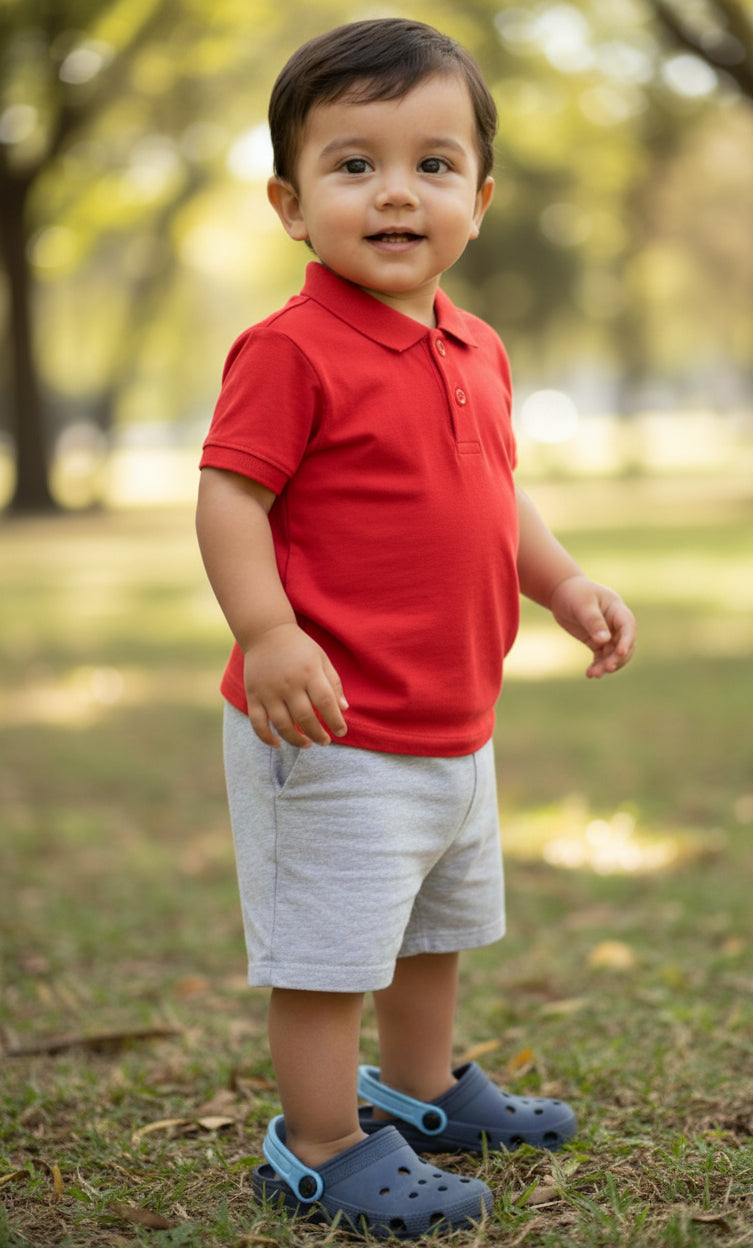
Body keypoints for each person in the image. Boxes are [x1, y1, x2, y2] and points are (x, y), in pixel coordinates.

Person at [196, 17, 636, 1239]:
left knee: (433, 926)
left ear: (477, 202)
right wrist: (268, 630)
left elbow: (494, 493)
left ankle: (425, 1088)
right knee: (330, 951)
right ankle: (320, 1145)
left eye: (432, 165)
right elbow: (230, 495)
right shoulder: (289, 350)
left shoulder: (476, 347)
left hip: (452, 719)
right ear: (290, 205)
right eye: (355, 165)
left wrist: (562, 584)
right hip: (331, 725)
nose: (396, 192)